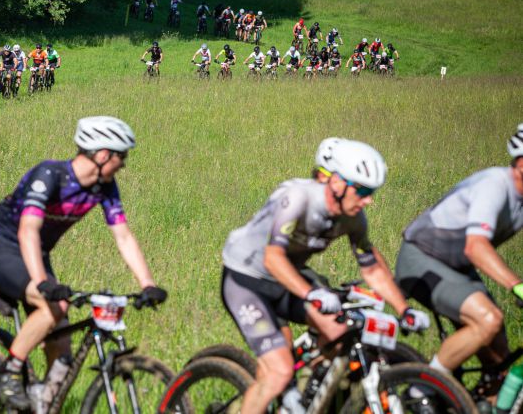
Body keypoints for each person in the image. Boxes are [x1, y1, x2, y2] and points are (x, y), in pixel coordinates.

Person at [220, 140, 428, 414]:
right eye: (363, 191)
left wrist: (404, 309)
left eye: (372, 192)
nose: (368, 200)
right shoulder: (298, 198)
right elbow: (273, 258)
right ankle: (277, 389)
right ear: (338, 183)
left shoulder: (354, 218)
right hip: (246, 279)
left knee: (339, 331)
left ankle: (306, 396)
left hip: (286, 277)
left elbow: (372, 268)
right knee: (279, 372)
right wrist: (311, 293)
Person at [0, 117, 167, 408]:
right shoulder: (49, 175)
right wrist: (42, 283)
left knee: (61, 346)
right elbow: (28, 230)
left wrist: (148, 284)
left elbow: (123, 236)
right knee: (56, 305)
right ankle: (7, 373)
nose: (124, 164)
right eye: (121, 157)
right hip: (5, 248)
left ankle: (43, 404)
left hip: (38, 255)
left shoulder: (104, 187)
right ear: (102, 155)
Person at [395, 124, 523, 381]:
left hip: (457, 268)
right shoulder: (495, 185)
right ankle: (425, 388)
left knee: (499, 363)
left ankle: (483, 400)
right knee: (488, 319)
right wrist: (517, 286)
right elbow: (475, 247)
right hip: (421, 258)